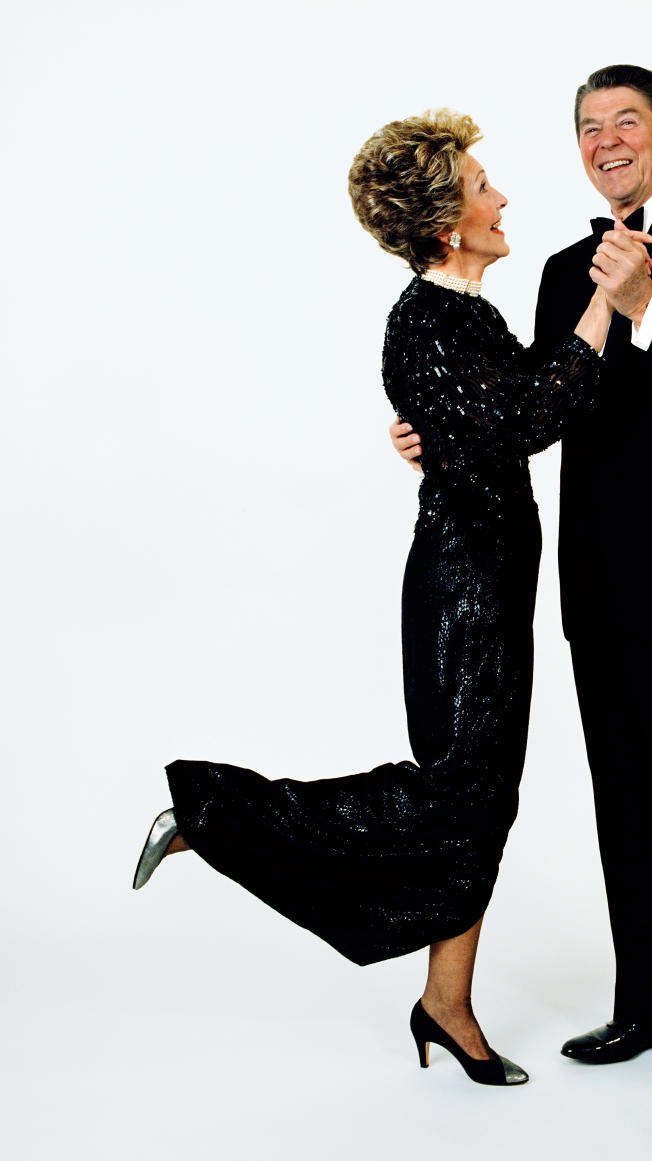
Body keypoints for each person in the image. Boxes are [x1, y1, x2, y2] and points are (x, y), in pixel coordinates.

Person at [131, 109, 625, 1088]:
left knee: (479, 804)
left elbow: (490, 407)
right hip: (467, 595)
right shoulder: (432, 318)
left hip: (487, 582)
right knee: (452, 795)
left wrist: (432, 436)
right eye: (485, 187)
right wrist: (606, 303)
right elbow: (531, 414)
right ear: (450, 223)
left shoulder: (461, 315)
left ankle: (447, 1006)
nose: (503, 198)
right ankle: (211, 812)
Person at [390, 65, 652, 1105]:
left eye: (626, 122)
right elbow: (528, 404)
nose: (606, 140)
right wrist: (442, 432)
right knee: (625, 806)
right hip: (596, 583)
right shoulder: (564, 260)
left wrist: (647, 305)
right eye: (588, 128)